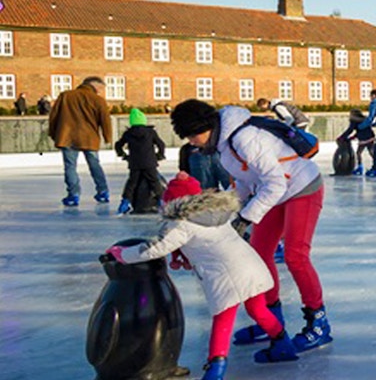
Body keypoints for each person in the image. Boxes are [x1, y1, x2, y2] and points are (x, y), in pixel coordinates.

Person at [170, 99, 333, 355]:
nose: (191, 141)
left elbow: (275, 182)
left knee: (295, 256)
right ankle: (269, 318)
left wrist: (246, 218)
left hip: (302, 187)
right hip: (272, 192)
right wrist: (227, 213)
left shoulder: (245, 138)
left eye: (193, 134)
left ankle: (319, 322)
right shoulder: (224, 147)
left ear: (207, 126)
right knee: (259, 254)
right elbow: (246, 183)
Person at [106, 172, 298, 379]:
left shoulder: (181, 223)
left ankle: (215, 369)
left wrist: (123, 255)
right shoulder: (216, 213)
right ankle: (283, 344)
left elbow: (156, 248)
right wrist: (185, 257)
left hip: (229, 277)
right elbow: (208, 243)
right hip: (251, 266)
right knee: (258, 309)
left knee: (223, 318)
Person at [48, 76, 112, 206]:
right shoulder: (98, 100)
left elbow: (53, 116)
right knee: (95, 165)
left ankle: (73, 195)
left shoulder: (65, 96)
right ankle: (103, 192)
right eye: (100, 89)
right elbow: (105, 120)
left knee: (70, 166)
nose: (100, 92)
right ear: (95, 86)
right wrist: (107, 137)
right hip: (89, 138)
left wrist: (54, 133)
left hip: (67, 137)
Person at [114, 109, 167, 215]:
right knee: (154, 182)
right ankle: (162, 202)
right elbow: (161, 144)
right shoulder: (150, 132)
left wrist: (123, 155)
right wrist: (159, 155)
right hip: (149, 163)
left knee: (132, 184)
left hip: (135, 163)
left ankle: (124, 203)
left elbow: (118, 145)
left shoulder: (128, 133)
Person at [337, 109, 376, 175]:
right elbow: (362, 130)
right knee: (371, 151)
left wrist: (342, 137)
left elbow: (350, 130)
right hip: (370, 137)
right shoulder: (364, 119)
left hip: (363, 139)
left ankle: (360, 167)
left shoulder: (354, 121)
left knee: (359, 153)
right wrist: (354, 137)